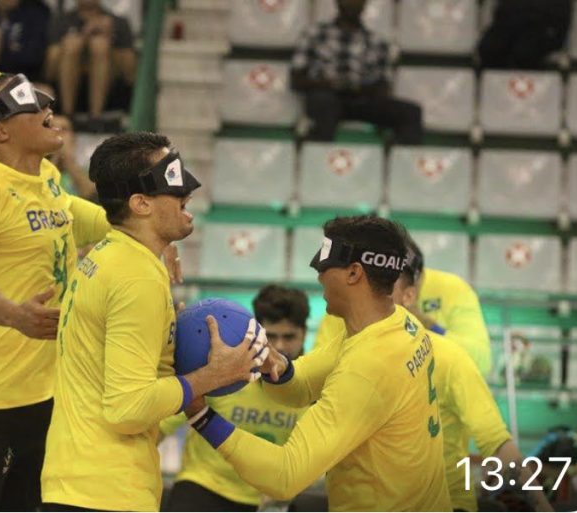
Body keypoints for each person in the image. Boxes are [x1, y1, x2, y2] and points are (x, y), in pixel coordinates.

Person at [40, 132, 268, 511]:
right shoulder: (137, 276)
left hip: (77, 481)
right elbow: (127, 408)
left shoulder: (109, 254)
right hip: (105, 494)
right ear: (141, 203)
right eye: (174, 185)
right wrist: (211, 376)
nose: (188, 194)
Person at [0, 70, 113, 511]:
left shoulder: (46, 177)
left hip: (46, 399)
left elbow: (75, 215)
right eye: (30, 99)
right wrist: (15, 315)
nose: (49, 106)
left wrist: (146, 236)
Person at [183, 215, 452, 511]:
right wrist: (268, 360)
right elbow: (300, 386)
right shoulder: (398, 323)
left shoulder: (368, 367)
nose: (319, 276)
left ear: (353, 273)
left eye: (325, 267)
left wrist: (201, 415)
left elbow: (285, 476)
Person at [315, 233, 553, 511]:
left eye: (385, 285)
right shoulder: (343, 339)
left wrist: (543, 506)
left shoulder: (449, 357)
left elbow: (497, 441)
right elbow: (314, 397)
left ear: (409, 293)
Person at [162, 285, 310, 512]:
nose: (279, 346)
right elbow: (161, 425)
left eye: (289, 337)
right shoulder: (222, 372)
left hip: (266, 499)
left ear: (304, 334)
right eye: (272, 336)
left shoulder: (309, 387)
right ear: (258, 336)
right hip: (204, 487)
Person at [318, 238, 492, 376]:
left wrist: (424, 324)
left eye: (393, 285)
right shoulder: (353, 296)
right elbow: (319, 367)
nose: (385, 294)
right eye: (377, 283)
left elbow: (481, 362)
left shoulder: (452, 289)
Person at [291, 0, 422, 144]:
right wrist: (330, 84)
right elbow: (297, 79)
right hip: (326, 95)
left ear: (364, 4)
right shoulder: (314, 33)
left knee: (411, 112)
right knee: (323, 104)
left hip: (362, 98)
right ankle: (317, 160)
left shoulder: (376, 41)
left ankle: (397, 161)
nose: (353, 4)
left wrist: (357, 88)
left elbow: (383, 86)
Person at [45, 0, 136, 129]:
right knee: (72, 45)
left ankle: (96, 118)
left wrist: (111, 36)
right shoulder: (60, 21)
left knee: (99, 45)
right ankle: (68, 115)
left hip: (111, 88)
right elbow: (49, 71)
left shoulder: (118, 22)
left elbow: (130, 73)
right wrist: (81, 37)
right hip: (64, 85)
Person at [478, 0, 572, 70]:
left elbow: (560, 18)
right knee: (489, 48)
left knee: (523, 52)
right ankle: (494, 89)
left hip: (544, 27)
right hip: (511, 22)